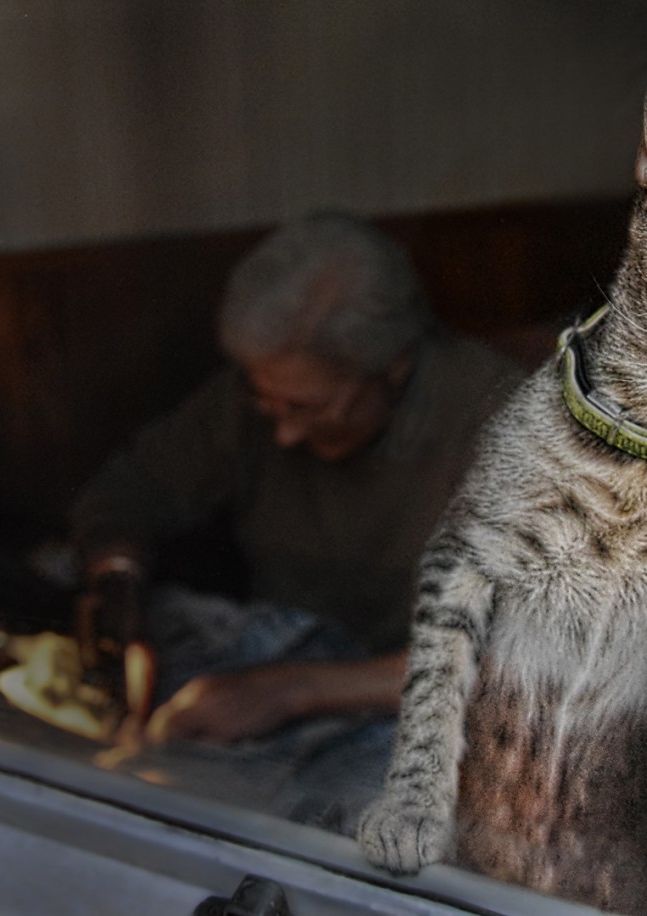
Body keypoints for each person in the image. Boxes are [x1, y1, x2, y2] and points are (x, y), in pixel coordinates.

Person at [69, 213, 522, 822]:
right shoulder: (253, 402)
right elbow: (130, 488)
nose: (281, 432)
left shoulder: (503, 427)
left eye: (310, 407)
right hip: (267, 681)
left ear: (394, 364)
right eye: (267, 402)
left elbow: (519, 665)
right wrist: (117, 576)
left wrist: (289, 690)